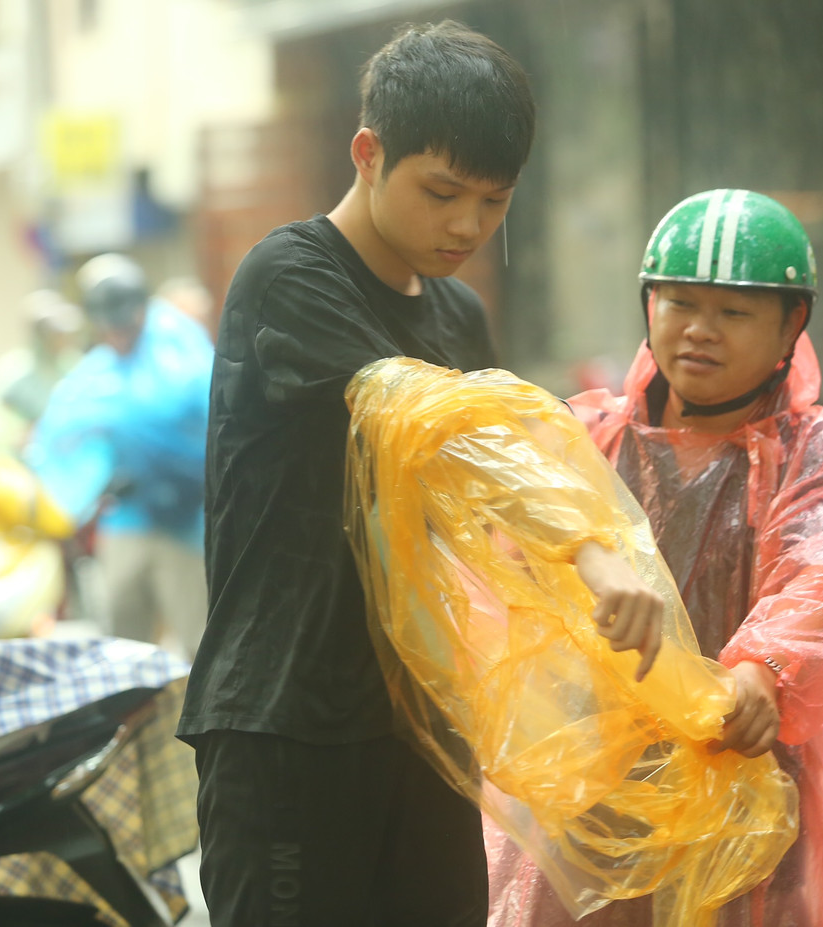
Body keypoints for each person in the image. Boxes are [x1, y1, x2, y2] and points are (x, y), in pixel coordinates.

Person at [176, 21, 665, 927]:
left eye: (494, 202)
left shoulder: (458, 315)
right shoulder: (289, 276)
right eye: (442, 192)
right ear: (368, 154)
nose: (467, 226)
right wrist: (594, 549)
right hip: (286, 723)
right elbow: (443, 429)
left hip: (424, 728)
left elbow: (500, 489)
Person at [486, 189, 823, 926]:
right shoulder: (582, 438)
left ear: (792, 324)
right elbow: (508, 530)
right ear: (648, 306)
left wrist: (762, 673)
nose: (698, 331)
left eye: (733, 312)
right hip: (585, 811)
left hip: (743, 805)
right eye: (680, 303)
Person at [25, 253, 212, 658]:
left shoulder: (178, 351)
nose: (118, 334)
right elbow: (65, 430)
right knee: (123, 645)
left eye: (125, 324)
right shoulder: (98, 373)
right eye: (109, 326)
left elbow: (192, 409)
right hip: (126, 518)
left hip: (185, 521)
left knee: (197, 643)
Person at [0, 289, 84, 456]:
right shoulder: (14, 375)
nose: (62, 340)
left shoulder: (72, 366)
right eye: (54, 334)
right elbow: (1, 431)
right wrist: (24, 435)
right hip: (17, 465)